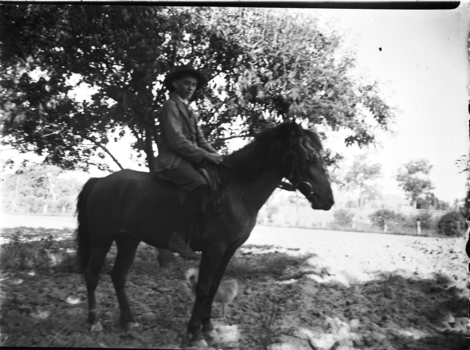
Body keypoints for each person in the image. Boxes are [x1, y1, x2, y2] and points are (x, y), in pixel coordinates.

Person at [154, 65, 223, 260]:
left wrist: (218, 157)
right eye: (186, 83)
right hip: (173, 160)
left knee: (216, 180)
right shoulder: (170, 106)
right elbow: (177, 141)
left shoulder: (189, 109)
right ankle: (177, 237)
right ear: (175, 84)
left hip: (188, 159)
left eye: (193, 84)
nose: (191, 87)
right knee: (198, 184)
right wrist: (205, 156)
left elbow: (201, 140)